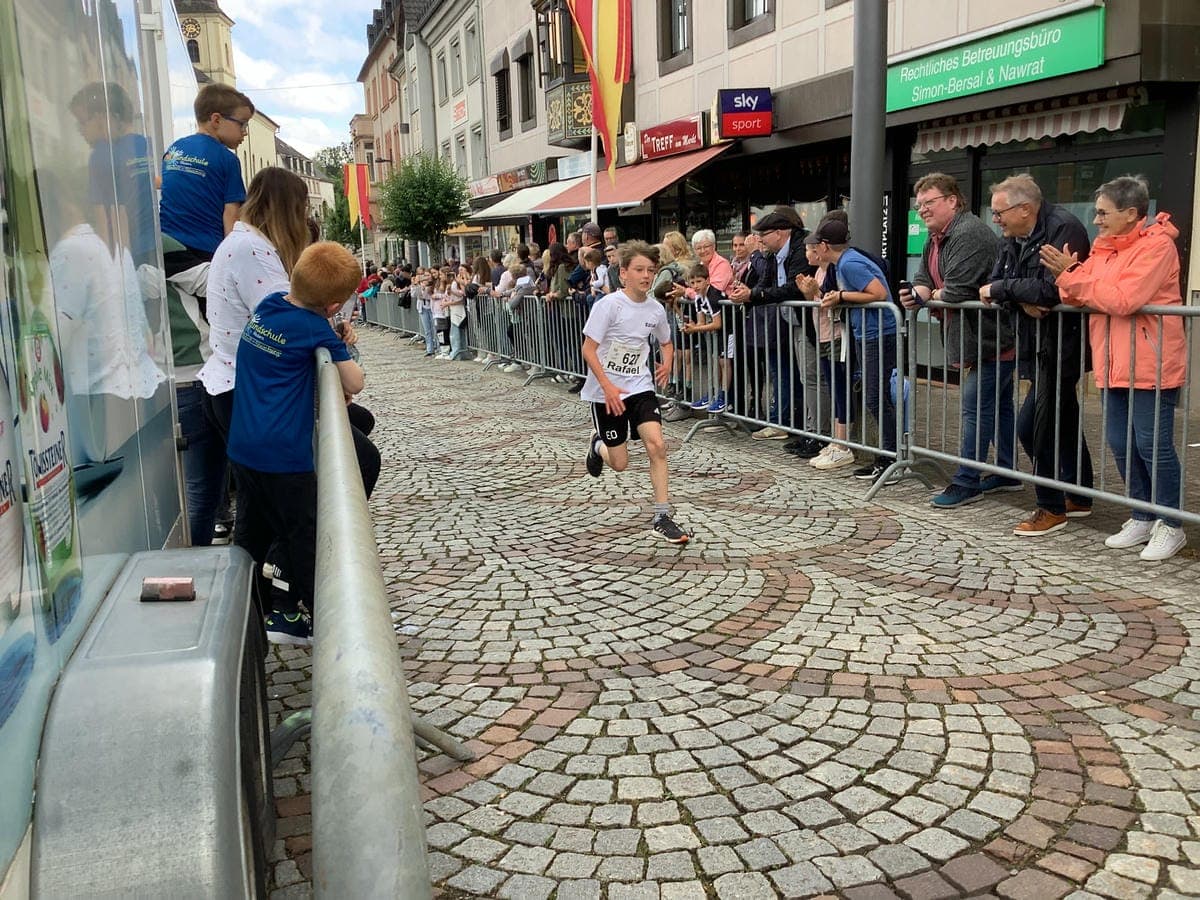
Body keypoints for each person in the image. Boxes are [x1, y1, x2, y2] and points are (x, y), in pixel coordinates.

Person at [226, 241, 364, 645]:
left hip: (243, 446)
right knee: (307, 538)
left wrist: (329, 333)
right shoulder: (312, 328)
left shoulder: (269, 304)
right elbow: (354, 382)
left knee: (250, 537)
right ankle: (324, 627)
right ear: (334, 304)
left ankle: (247, 617)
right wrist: (340, 342)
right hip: (284, 455)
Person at [1045, 175, 1188, 561]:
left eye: (1104, 213)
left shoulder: (1157, 246)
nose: (1096, 220)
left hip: (1151, 362)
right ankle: (1141, 515)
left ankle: (1171, 524)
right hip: (1112, 361)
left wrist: (1075, 277)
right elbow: (1072, 294)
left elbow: (1124, 299)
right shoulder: (1104, 248)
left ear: (1130, 213)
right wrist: (1074, 279)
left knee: (1152, 445)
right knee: (1121, 444)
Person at [979, 174, 1094, 536]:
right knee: (1064, 418)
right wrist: (1017, 296)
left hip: (1062, 344)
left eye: (999, 213)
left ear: (1024, 209)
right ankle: (1079, 492)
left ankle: (1051, 505)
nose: (995, 220)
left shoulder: (1063, 228)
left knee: (1035, 425)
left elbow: (1052, 289)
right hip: (1036, 342)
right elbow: (995, 283)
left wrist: (1006, 290)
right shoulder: (1012, 238)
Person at [900, 173, 1010, 508]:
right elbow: (923, 278)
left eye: (929, 203)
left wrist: (929, 296)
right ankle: (1007, 472)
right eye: (919, 205)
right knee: (1001, 407)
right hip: (977, 338)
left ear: (952, 200)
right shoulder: (935, 237)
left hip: (996, 337)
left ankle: (966, 481)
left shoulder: (969, 233)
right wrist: (919, 294)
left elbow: (958, 290)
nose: (922, 211)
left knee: (974, 406)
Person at [582, 241, 690, 544]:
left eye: (651, 271)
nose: (646, 276)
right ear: (623, 272)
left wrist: (667, 364)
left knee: (657, 445)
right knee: (620, 464)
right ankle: (597, 445)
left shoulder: (655, 310)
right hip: (606, 392)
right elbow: (588, 350)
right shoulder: (608, 306)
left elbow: (666, 342)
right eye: (639, 270)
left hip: (640, 387)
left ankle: (662, 516)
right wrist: (607, 386)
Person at [806, 217, 899, 483]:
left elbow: (878, 293)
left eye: (817, 244)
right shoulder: (846, 261)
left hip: (878, 332)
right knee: (873, 396)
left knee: (874, 397)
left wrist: (842, 296)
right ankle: (886, 455)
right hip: (867, 332)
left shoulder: (849, 263)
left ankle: (890, 456)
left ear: (824, 246)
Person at [728, 209, 812, 435]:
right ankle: (788, 423)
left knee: (806, 377)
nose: (759, 240)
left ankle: (803, 427)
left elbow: (792, 288)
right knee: (785, 374)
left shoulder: (799, 249)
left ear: (779, 233)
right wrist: (748, 294)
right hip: (787, 321)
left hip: (804, 322)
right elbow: (765, 283)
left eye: (763, 234)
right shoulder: (776, 254)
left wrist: (754, 293)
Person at [159, 83, 253, 276]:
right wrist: (231, 262)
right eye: (242, 124)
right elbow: (231, 215)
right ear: (216, 119)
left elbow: (170, 185)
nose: (245, 132)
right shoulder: (227, 159)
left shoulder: (174, 149)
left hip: (166, 246)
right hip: (205, 252)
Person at [683, 263, 729, 414]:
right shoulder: (698, 298)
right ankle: (714, 393)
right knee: (717, 362)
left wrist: (695, 328)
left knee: (724, 362)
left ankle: (724, 396)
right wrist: (692, 326)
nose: (695, 286)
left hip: (730, 331)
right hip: (718, 333)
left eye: (699, 282)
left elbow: (717, 323)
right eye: (692, 282)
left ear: (707, 281)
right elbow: (701, 321)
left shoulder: (713, 295)